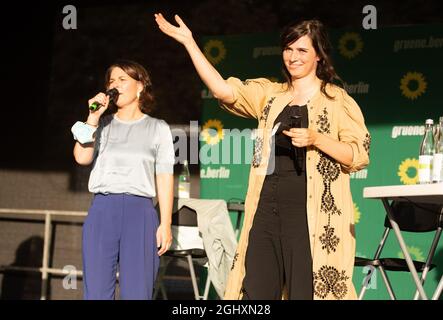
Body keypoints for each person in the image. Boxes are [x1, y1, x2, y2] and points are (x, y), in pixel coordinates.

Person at [155, 14, 370, 300]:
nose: (293, 57)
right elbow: (223, 90)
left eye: (302, 50)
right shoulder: (271, 94)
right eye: (288, 49)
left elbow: (357, 155)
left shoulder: (337, 100)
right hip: (265, 213)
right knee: (255, 294)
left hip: (311, 221)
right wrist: (189, 43)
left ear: (319, 55)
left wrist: (317, 139)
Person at [72, 59, 175, 300]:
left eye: (122, 79)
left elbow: (164, 176)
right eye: (111, 80)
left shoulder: (158, 128)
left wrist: (166, 223)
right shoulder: (100, 124)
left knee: (137, 292)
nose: (115, 84)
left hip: (140, 213)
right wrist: (93, 116)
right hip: (103, 210)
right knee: (96, 292)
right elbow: (81, 157)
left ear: (140, 86)